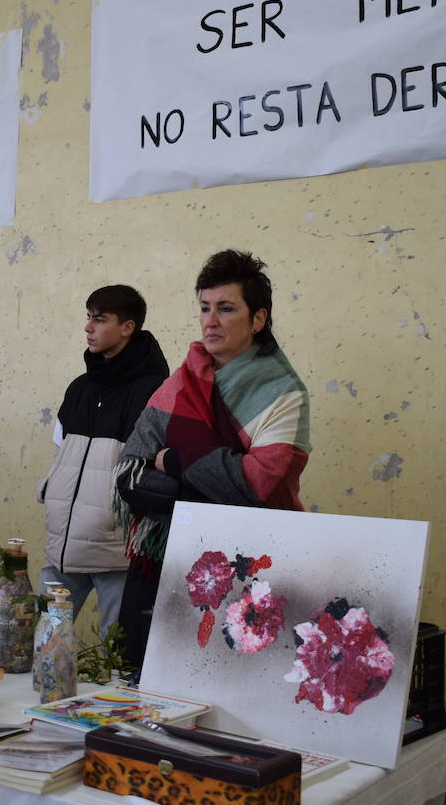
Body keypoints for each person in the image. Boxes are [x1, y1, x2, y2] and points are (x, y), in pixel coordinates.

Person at [114, 249, 311, 669]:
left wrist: (178, 464)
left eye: (226, 308)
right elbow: (130, 468)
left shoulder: (283, 393)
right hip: (163, 558)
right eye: (205, 308)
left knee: (225, 683)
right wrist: (207, 482)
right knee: (137, 675)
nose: (211, 320)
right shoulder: (182, 378)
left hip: (247, 568)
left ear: (258, 319)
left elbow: (258, 487)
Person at [38, 285, 168, 637]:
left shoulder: (156, 391)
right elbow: (60, 454)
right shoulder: (79, 387)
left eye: (100, 319)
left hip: (118, 555)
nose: (88, 328)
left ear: (127, 327)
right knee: (40, 647)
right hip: (63, 548)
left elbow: (159, 469)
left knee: (118, 665)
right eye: (88, 318)